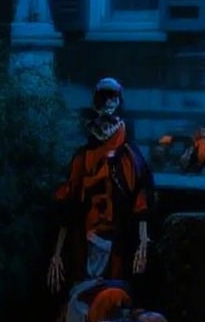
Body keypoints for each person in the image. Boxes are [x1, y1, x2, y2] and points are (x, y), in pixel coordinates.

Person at [47, 78, 154, 294]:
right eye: (104, 97)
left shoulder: (130, 157)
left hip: (118, 241)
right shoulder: (84, 157)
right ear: (97, 102)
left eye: (112, 97)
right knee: (85, 296)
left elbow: (141, 197)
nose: (108, 102)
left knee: (113, 298)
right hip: (88, 239)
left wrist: (143, 241)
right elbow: (69, 201)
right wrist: (57, 253)